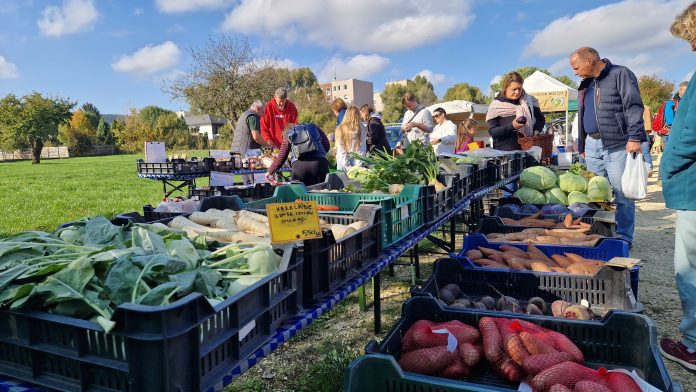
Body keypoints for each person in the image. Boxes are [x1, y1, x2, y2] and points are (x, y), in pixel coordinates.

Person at [569, 46, 646, 246]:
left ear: (589, 60)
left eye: (576, 67)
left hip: (617, 144)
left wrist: (635, 137)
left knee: (623, 194)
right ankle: (600, 235)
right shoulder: (585, 84)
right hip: (592, 145)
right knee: (595, 194)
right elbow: (583, 114)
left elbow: (634, 106)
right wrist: (582, 144)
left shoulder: (619, 73)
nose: (575, 72)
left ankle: (624, 238)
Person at [658, 3, 696, 371]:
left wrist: (668, 166)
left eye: (691, 38)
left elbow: (689, 134)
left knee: (690, 267)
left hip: (693, 187)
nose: (691, 47)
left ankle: (694, 346)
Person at [485, 71, 545, 151]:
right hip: (505, 154)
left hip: (529, 151)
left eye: (519, 89)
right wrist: (512, 126)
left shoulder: (529, 101)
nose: (517, 92)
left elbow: (540, 119)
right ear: (506, 88)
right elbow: (493, 132)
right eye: (514, 89)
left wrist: (536, 131)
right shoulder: (496, 106)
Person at [265, 123, 330, 186]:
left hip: (299, 167)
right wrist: (319, 155)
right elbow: (326, 145)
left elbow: (281, 157)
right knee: (322, 191)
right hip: (320, 164)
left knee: (299, 194)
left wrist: (270, 172)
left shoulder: (288, 133)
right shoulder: (312, 126)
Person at [231, 100, 266, 184]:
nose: (263, 114)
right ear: (257, 108)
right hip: (248, 152)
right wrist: (267, 144)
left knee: (246, 180)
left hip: (238, 151)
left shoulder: (244, 114)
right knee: (253, 181)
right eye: (263, 111)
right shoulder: (253, 117)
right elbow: (256, 137)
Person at [659, 81, 689, 151]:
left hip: (684, 134)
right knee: (671, 157)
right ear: (680, 90)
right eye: (686, 90)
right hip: (671, 135)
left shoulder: (688, 102)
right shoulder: (671, 103)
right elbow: (670, 121)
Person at [334, 106, 367, 171]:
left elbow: (341, 149)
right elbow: (362, 149)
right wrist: (358, 166)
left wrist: (347, 166)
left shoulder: (340, 128)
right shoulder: (362, 128)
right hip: (355, 161)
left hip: (342, 161)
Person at [641, 106, 654, 173]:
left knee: (638, 153)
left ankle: (642, 169)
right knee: (646, 152)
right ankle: (650, 168)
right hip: (646, 131)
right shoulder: (648, 108)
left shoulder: (635, 106)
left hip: (638, 130)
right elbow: (652, 119)